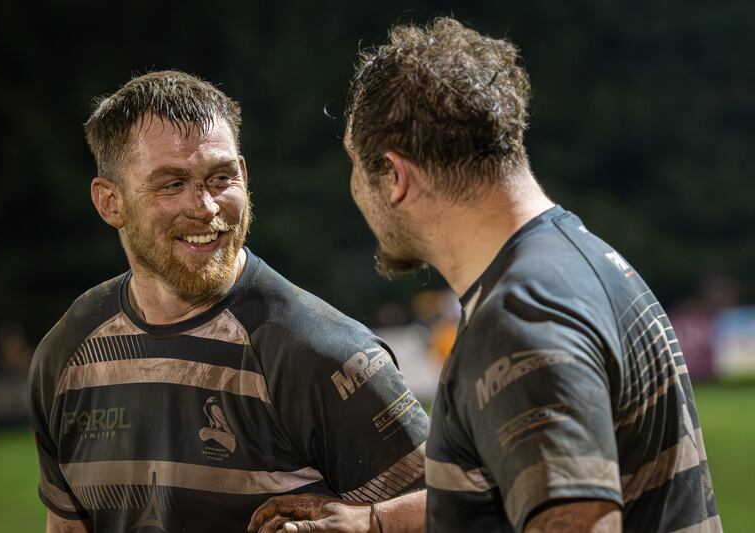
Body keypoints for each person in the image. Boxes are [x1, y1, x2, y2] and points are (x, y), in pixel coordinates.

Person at [253, 17, 720, 533]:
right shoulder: (574, 261)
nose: (353, 189)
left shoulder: (521, 319)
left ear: (396, 176)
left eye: (355, 167)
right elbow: (515, 489)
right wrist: (373, 523)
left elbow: (578, 520)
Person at [27, 71, 428, 533]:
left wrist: (372, 523)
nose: (207, 207)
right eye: (172, 184)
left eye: (221, 177)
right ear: (110, 202)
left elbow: (465, 507)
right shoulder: (68, 352)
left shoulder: (322, 352)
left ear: (245, 175)